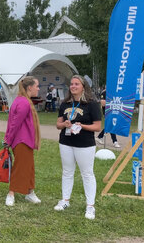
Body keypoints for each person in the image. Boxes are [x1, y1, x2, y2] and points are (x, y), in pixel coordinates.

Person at [54, 75, 101, 220]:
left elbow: (98, 126)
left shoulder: (91, 104)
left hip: (85, 144)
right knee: (67, 172)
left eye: (76, 84)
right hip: (66, 142)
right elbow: (58, 124)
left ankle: (90, 206)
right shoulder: (65, 104)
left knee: (87, 174)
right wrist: (65, 125)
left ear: (83, 86)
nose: (73, 86)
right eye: (71, 84)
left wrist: (82, 126)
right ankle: (65, 201)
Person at [3, 76, 42, 207]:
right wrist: (8, 140)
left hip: (25, 140)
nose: (38, 88)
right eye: (37, 86)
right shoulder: (24, 102)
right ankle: (11, 193)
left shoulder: (21, 100)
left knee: (29, 167)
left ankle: (30, 192)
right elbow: (14, 124)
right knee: (20, 167)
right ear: (29, 87)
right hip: (21, 140)